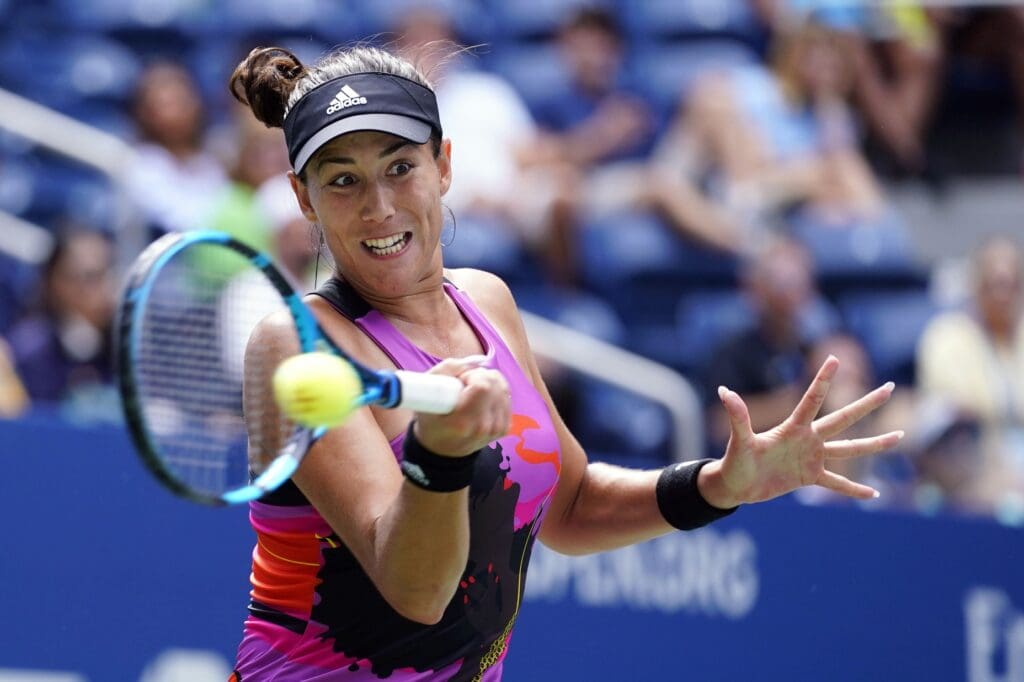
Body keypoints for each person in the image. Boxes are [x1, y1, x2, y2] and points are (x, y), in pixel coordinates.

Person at [227, 44, 902, 680]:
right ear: (303, 197)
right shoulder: (296, 345)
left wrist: (719, 485)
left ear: (444, 166)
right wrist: (439, 454)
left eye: (400, 167)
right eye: (342, 181)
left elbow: (572, 508)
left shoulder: (488, 301)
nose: (378, 207)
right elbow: (417, 592)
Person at [916, 235, 1024, 509]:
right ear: (975, 284)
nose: (1002, 295)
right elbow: (955, 411)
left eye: (1011, 284)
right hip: (975, 463)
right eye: (994, 284)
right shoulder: (946, 336)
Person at [6, 229, 116, 407]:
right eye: (90, 277)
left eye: (108, 274)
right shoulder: (27, 352)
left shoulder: (126, 351)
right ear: (55, 282)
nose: (105, 288)